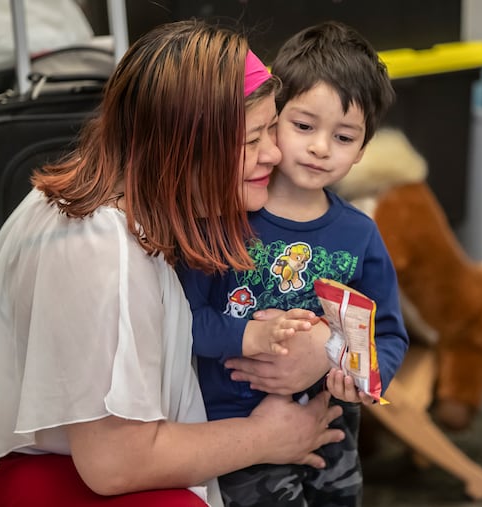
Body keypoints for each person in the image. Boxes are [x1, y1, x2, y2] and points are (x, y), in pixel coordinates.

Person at [0, 19, 346, 507]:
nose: (274, 154)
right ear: (182, 148)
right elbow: (115, 463)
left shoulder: (146, 199)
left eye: (271, 132)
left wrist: (315, 341)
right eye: (250, 141)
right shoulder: (97, 248)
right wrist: (266, 437)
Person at [178, 21, 409, 507]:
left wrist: (364, 374)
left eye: (344, 137)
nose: (321, 147)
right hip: (234, 430)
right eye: (304, 126)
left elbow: (386, 333)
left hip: (331, 425)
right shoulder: (220, 220)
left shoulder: (359, 233)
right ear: (271, 120)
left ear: (363, 149)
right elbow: (181, 323)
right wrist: (250, 337)